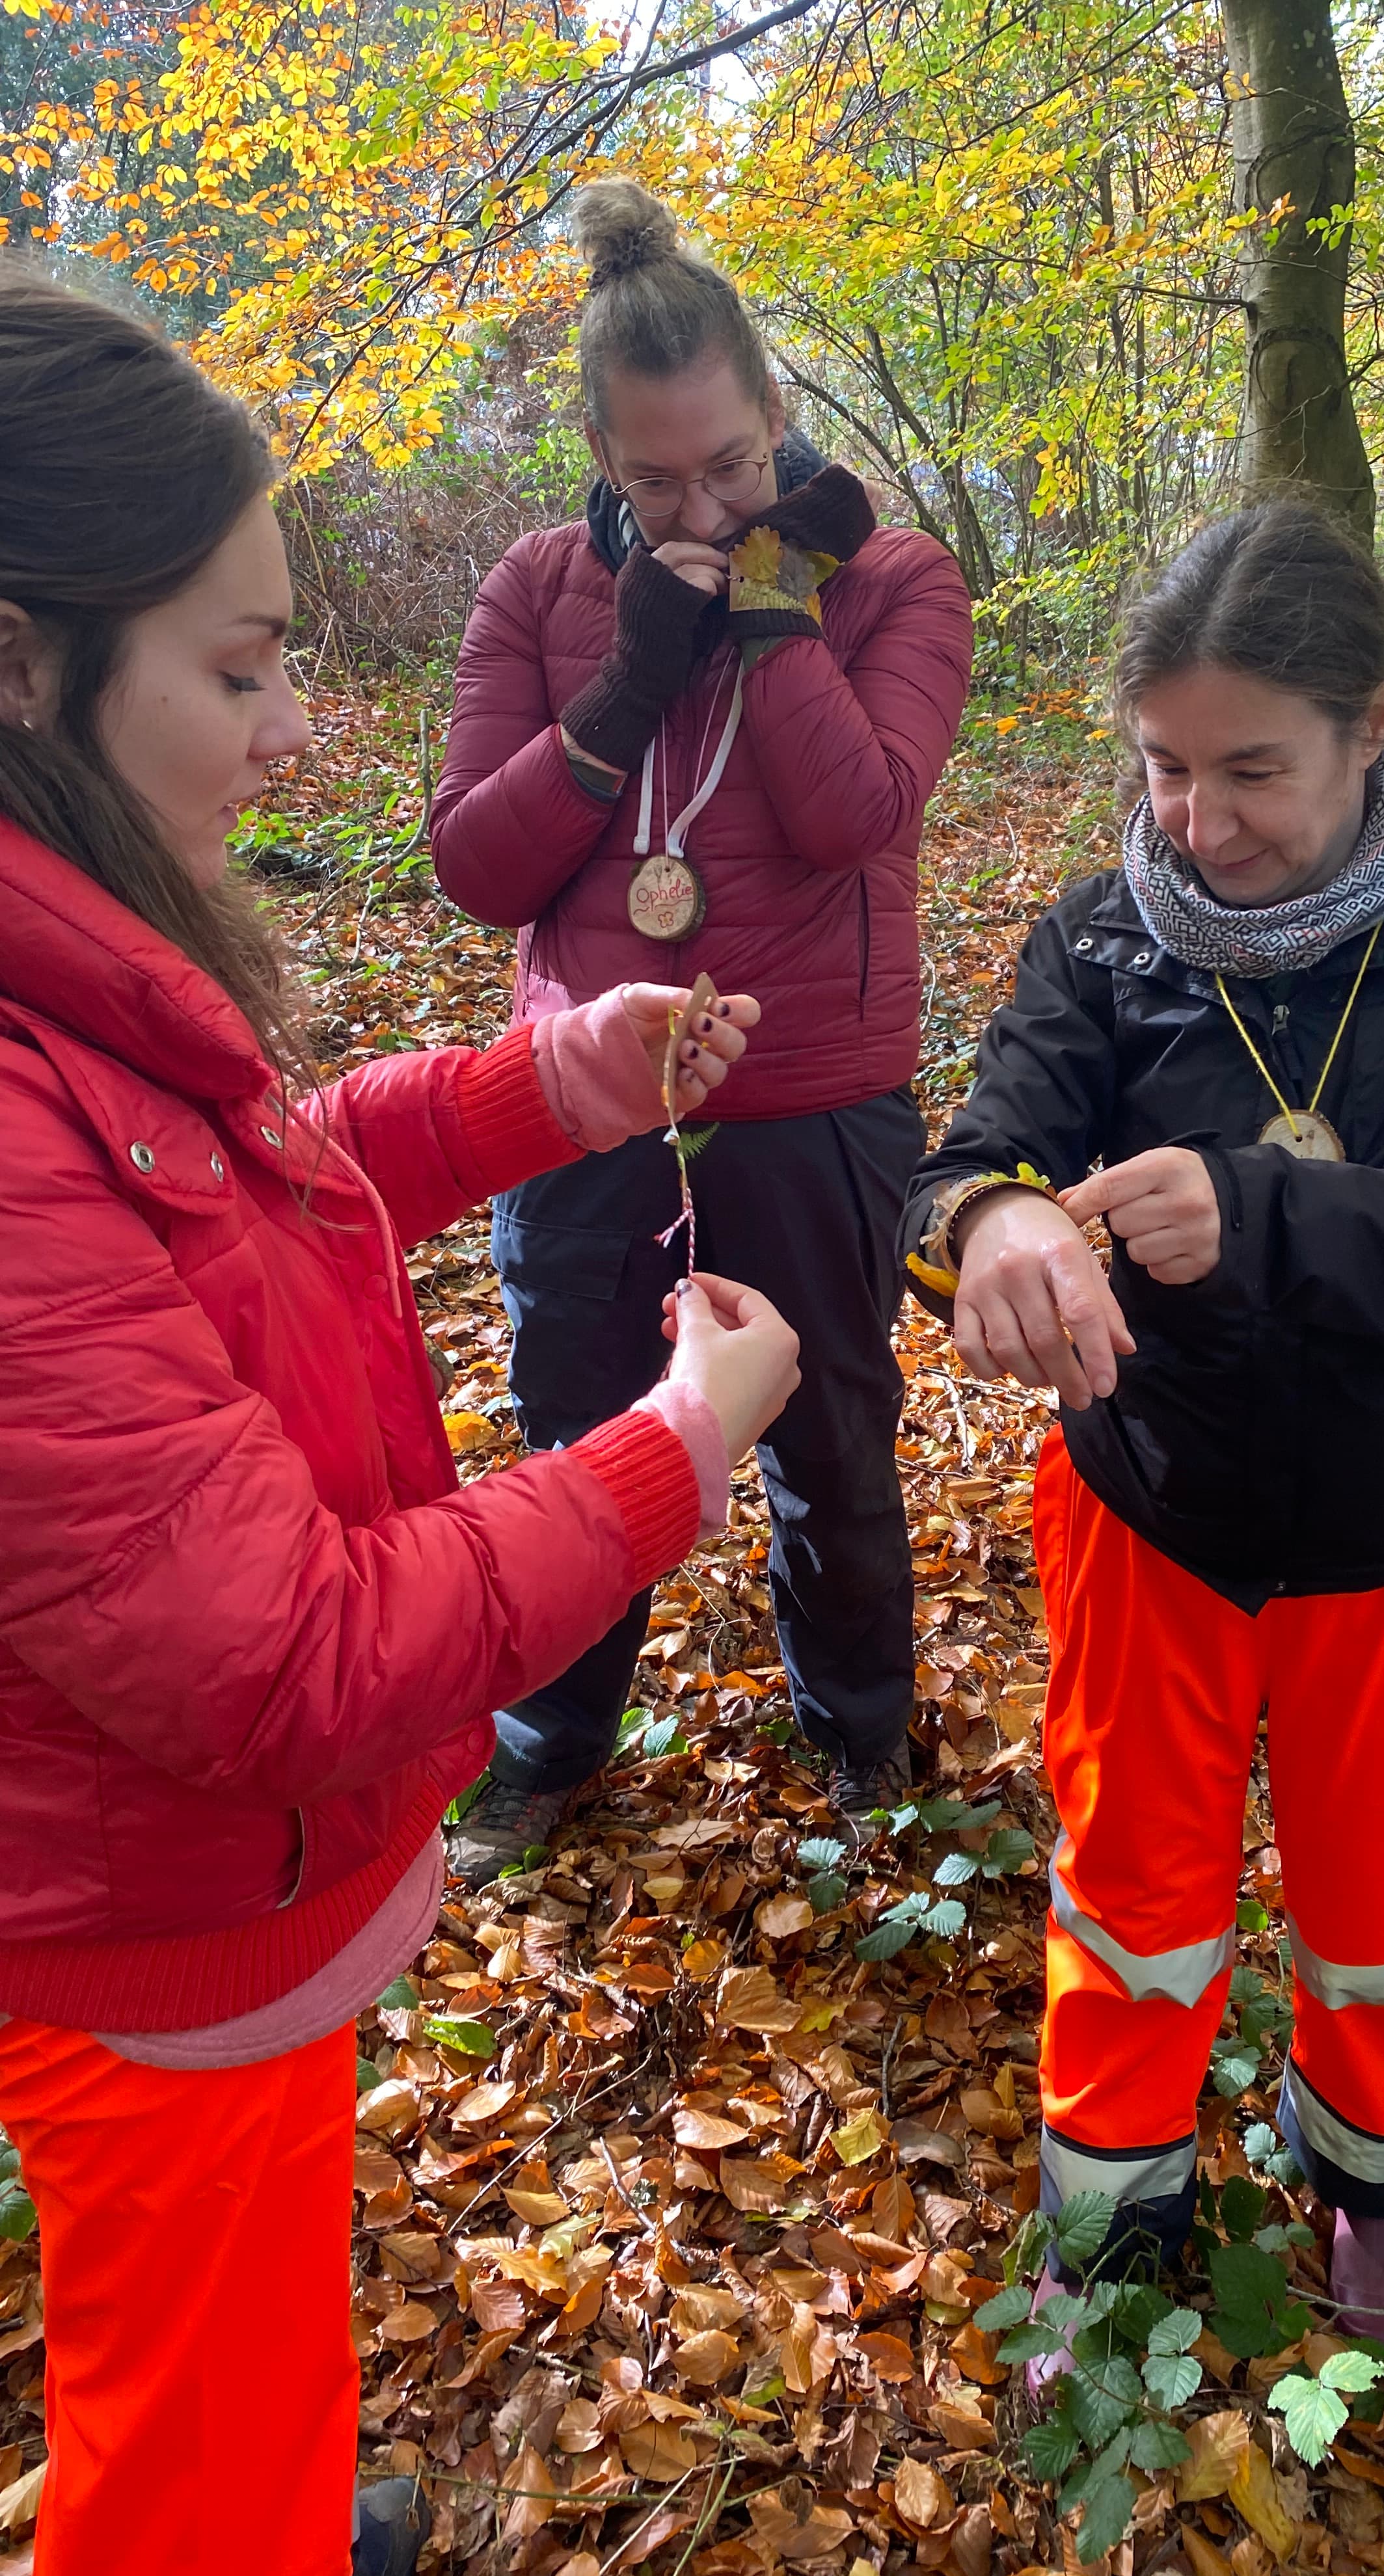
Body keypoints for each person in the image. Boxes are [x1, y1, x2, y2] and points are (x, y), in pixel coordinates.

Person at [0, 271, 798, 2576]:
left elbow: (248, 1184)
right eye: (240, 670)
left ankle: (273, 2502)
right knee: (180, 2462)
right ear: (24, 668)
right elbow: (285, 1650)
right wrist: (670, 1449)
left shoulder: (82, 965)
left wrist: (551, 1080)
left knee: (235, 2343)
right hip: (156, 1928)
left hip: (205, 1897)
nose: (289, 733)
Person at [900, 504, 1384, 2335]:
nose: (1198, 825)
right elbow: (970, 1158)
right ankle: (1112, 2225)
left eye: (1251, 773)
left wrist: (1266, 1215)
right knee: (1130, 1897)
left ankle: (1372, 2179)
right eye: (1163, 766)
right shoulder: (1107, 933)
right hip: (1155, 1507)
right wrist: (989, 1229)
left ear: (1372, 726)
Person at [430, 178, 973, 1877]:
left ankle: (861, 1732)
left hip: (814, 1095)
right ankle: (552, 1742)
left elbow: (855, 814)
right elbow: (478, 864)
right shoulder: (537, 589)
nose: (704, 505)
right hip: (583, 1096)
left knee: (831, 1433)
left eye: (733, 465)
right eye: (658, 481)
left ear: (777, 414)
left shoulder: (891, 578)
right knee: (576, 1431)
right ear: (601, 456)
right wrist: (625, 681)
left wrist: (772, 609)